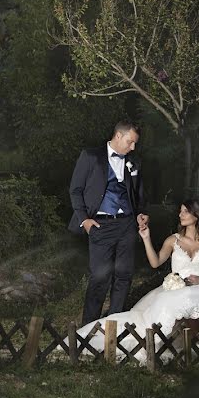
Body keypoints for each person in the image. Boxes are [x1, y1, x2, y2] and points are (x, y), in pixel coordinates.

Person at [74, 198, 199, 362]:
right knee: (173, 308)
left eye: (185, 211)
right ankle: (186, 348)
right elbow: (155, 262)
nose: (180, 215)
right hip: (176, 288)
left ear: (196, 215)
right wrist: (146, 237)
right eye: (180, 211)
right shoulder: (173, 240)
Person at [69, 120, 149, 325]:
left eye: (135, 144)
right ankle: (87, 329)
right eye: (130, 142)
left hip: (127, 225)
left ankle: (115, 325)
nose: (133, 147)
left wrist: (141, 213)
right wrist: (84, 220)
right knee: (99, 277)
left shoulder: (134, 161)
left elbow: (138, 193)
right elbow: (75, 190)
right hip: (100, 225)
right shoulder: (90, 156)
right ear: (118, 136)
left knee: (124, 275)